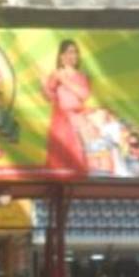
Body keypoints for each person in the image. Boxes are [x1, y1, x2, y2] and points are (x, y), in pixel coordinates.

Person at [41, 39, 94, 175]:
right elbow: (49, 97)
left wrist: (64, 80)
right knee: (58, 162)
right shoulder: (55, 74)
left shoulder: (82, 76)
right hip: (59, 122)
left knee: (76, 161)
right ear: (62, 56)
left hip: (76, 122)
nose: (74, 56)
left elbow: (84, 94)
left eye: (76, 52)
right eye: (70, 52)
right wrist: (44, 85)